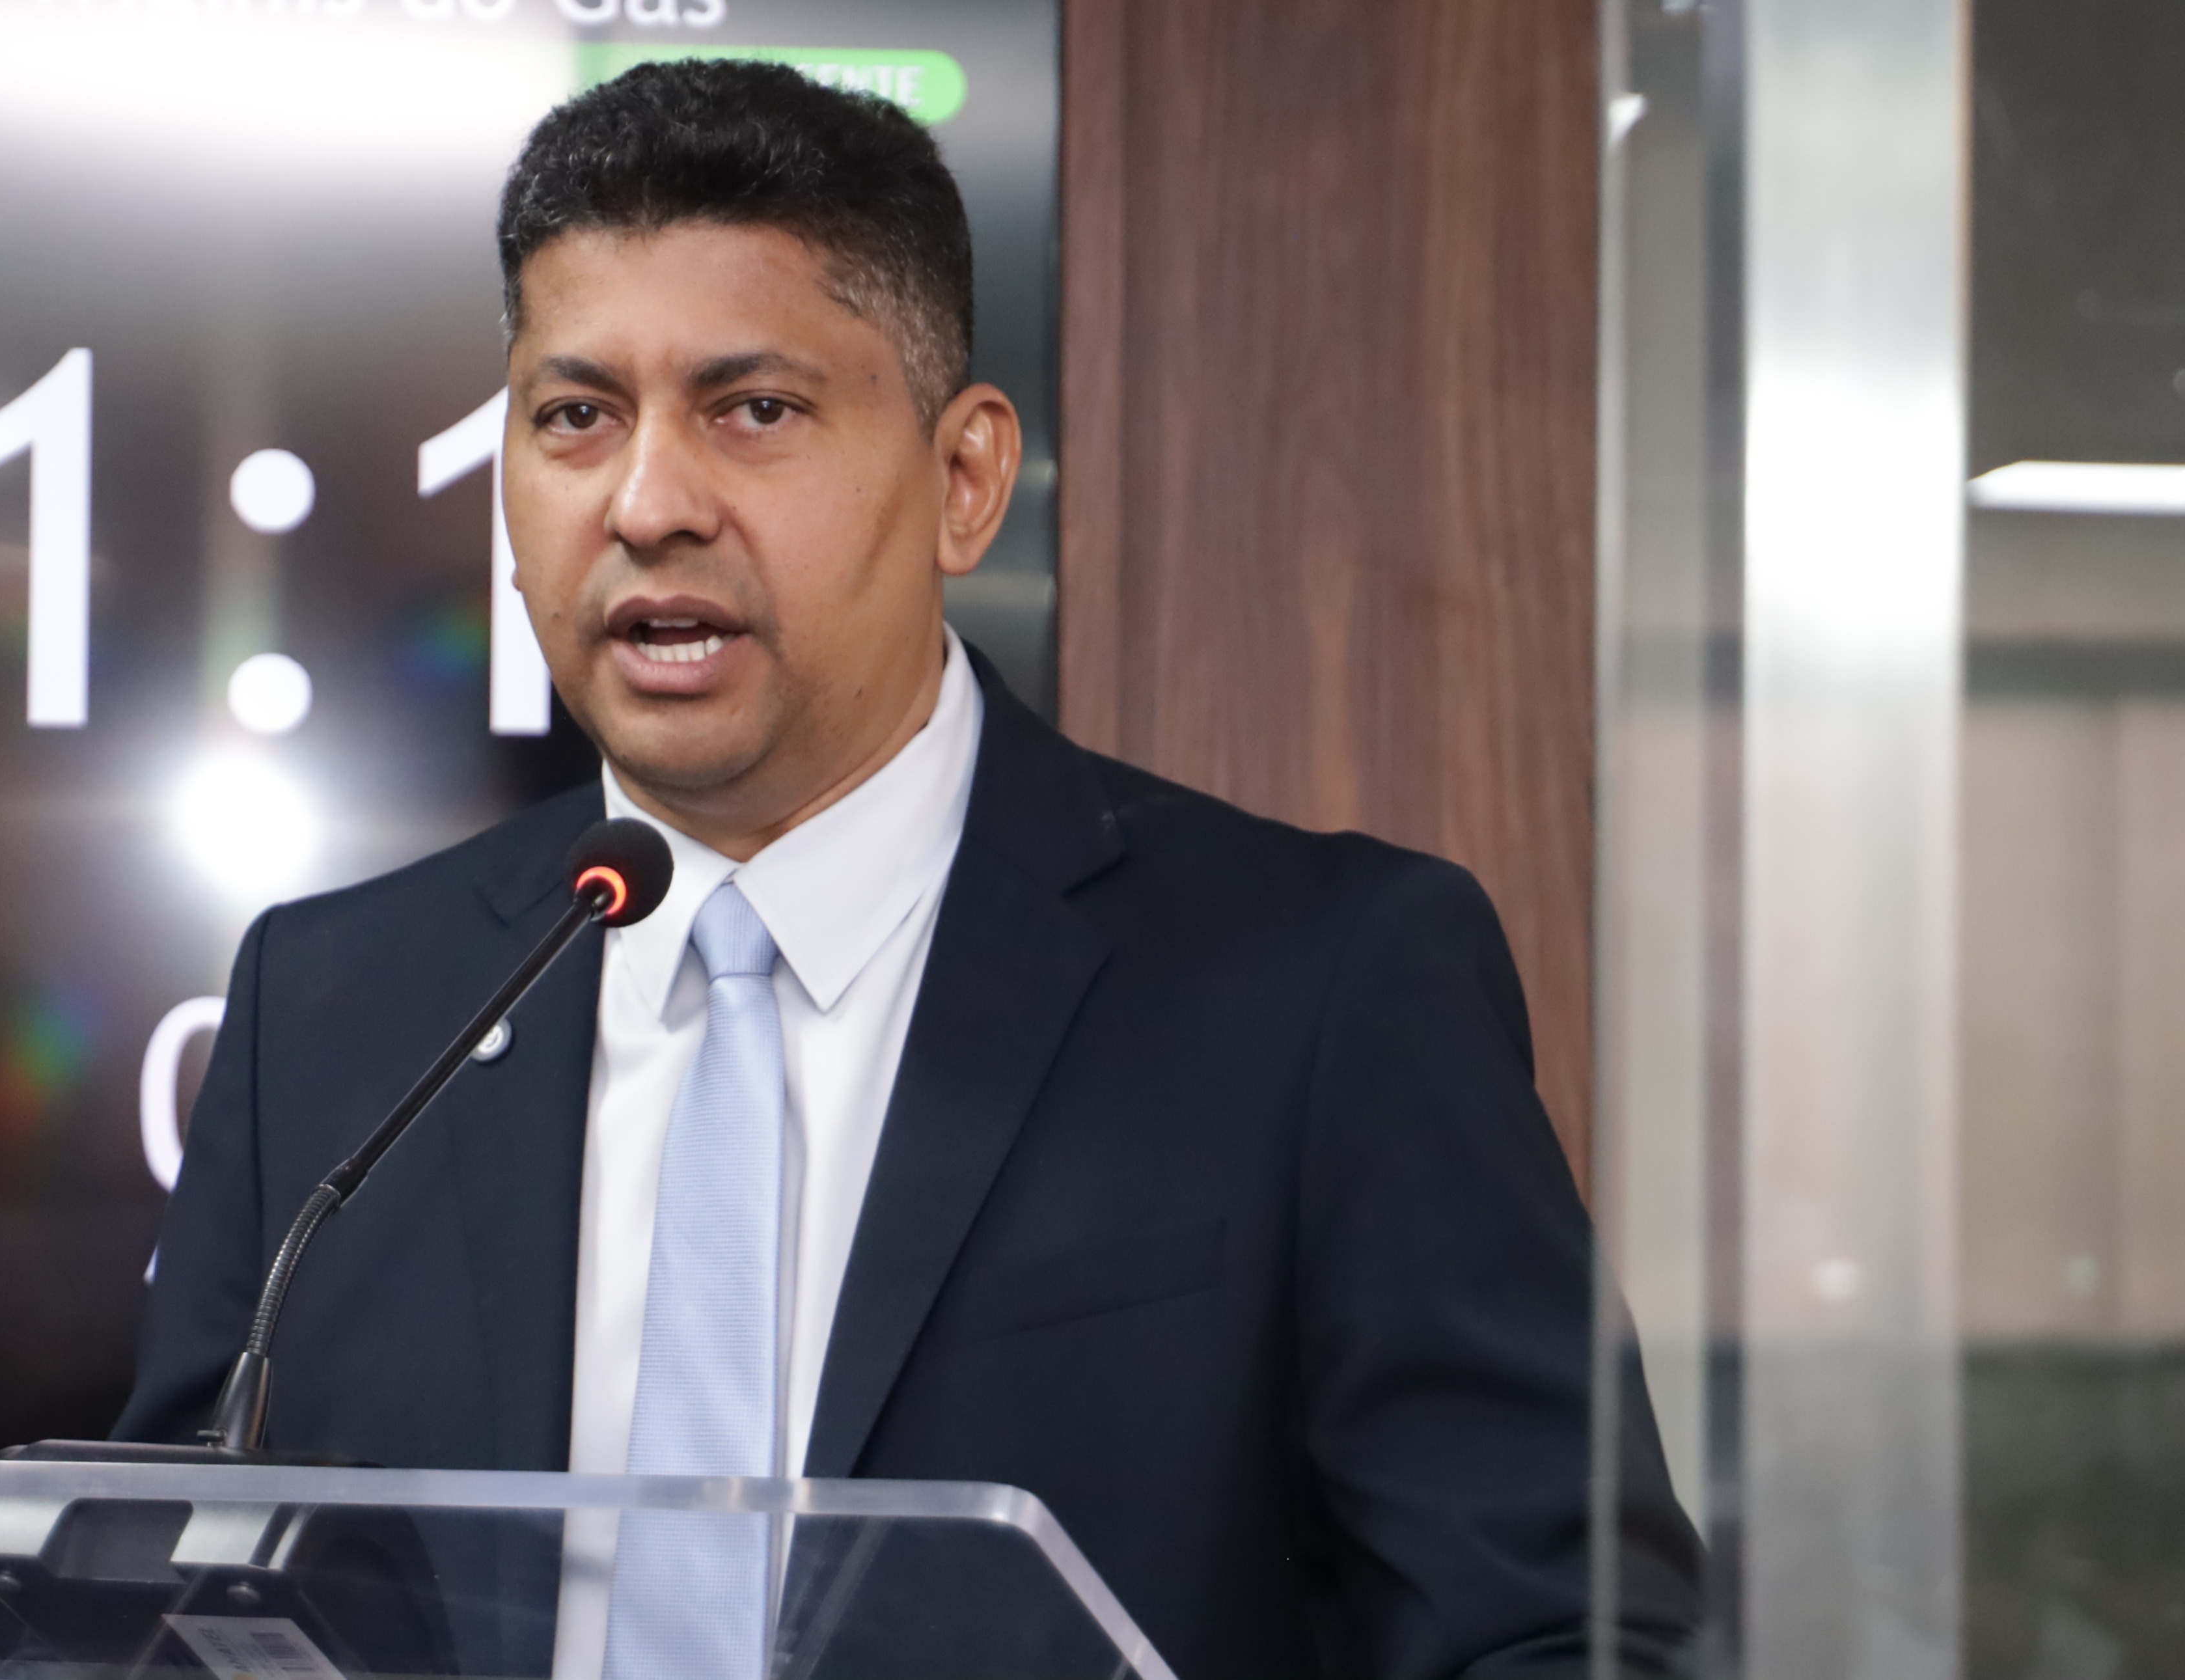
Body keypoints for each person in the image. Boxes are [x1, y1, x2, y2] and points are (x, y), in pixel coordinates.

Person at [118, 59, 1703, 1679]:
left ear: (964, 480)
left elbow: (1566, 1637)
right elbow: (156, 1612)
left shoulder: (1322, 987)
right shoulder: (338, 1011)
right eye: (576, 416)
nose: (648, 504)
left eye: (753, 410)